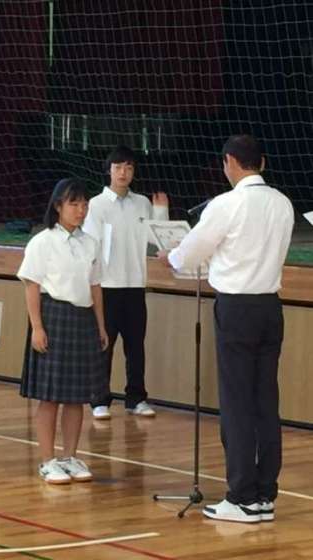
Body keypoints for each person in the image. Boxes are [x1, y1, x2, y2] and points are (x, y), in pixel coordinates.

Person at [159, 134, 294, 523]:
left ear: (230, 162)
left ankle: (241, 497)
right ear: (262, 163)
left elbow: (190, 253)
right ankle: (264, 495)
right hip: (270, 307)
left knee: (236, 403)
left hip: (237, 308)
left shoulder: (227, 203)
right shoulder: (283, 203)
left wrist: (171, 257)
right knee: (265, 401)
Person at [17, 178, 108, 485]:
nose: (81, 210)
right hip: (54, 316)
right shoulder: (42, 242)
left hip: (83, 319)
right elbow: (32, 286)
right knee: (50, 396)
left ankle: (69, 457)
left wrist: (100, 325)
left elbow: (95, 286)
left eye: (84, 204)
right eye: (74, 204)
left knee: (76, 396)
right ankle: (47, 461)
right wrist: (37, 327)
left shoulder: (91, 242)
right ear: (58, 206)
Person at [83, 145, 169, 419]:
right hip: (107, 286)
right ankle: (99, 399)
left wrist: (161, 211)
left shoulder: (142, 203)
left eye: (129, 167)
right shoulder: (96, 205)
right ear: (108, 170)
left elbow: (156, 240)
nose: (123, 172)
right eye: (118, 167)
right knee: (103, 345)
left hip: (135, 285)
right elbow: (91, 245)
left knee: (135, 346)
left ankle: (136, 398)